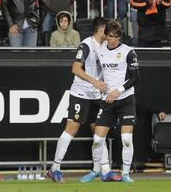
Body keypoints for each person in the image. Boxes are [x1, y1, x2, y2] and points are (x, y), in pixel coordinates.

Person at [47, 17, 122, 183]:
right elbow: (75, 68)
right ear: (100, 30)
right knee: (71, 129)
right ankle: (54, 168)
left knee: (100, 130)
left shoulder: (107, 46)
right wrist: (95, 82)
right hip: (81, 93)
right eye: (108, 30)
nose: (110, 33)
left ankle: (106, 171)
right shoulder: (86, 45)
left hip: (97, 96)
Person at [92, 20, 139, 182]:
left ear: (120, 36)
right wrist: (97, 84)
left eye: (116, 36)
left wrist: (116, 91)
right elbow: (98, 70)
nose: (113, 39)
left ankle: (125, 174)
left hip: (125, 99)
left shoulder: (128, 51)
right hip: (108, 101)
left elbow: (135, 78)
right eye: (110, 36)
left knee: (126, 139)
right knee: (97, 140)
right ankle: (97, 170)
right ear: (106, 35)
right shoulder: (99, 50)